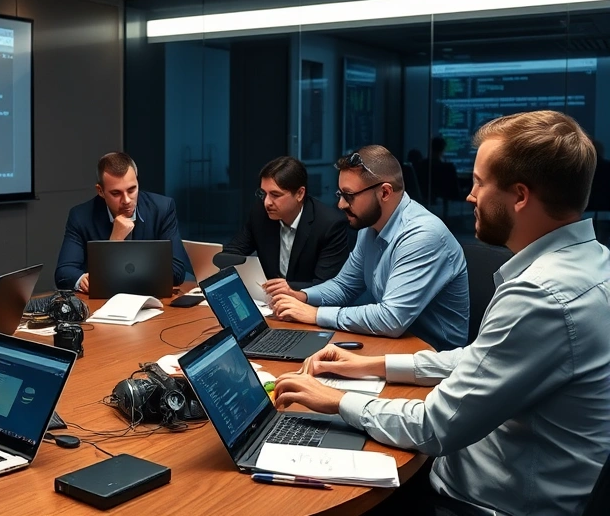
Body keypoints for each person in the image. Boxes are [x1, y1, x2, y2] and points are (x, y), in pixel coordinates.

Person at [273, 110, 610, 515]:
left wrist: (335, 400)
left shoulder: (539, 295)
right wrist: (371, 365)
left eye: (479, 182)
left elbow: (434, 426)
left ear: (520, 196)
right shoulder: (593, 262)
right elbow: (482, 358)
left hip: (479, 501)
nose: (469, 196)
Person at [268, 145, 469, 351]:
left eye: (349, 195)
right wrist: (303, 296)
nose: (341, 204)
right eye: (340, 194)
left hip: (433, 355)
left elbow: (391, 319)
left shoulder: (422, 235)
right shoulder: (370, 226)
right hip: (392, 344)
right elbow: (344, 286)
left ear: (385, 192)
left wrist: (315, 314)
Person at [54, 151, 188, 292]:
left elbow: (177, 271)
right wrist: (115, 240)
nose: (126, 200)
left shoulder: (162, 208)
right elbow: (64, 273)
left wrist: (107, 278)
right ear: (100, 191)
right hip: (103, 301)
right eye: (116, 193)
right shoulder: (81, 216)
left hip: (152, 299)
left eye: (132, 190)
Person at [217, 156, 349, 291]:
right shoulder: (260, 213)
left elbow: (327, 287)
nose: (267, 202)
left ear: (299, 194)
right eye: (263, 194)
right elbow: (233, 253)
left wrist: (289, 288)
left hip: (306, 301)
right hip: (267, 299)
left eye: (275, 195)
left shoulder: (330, 224)